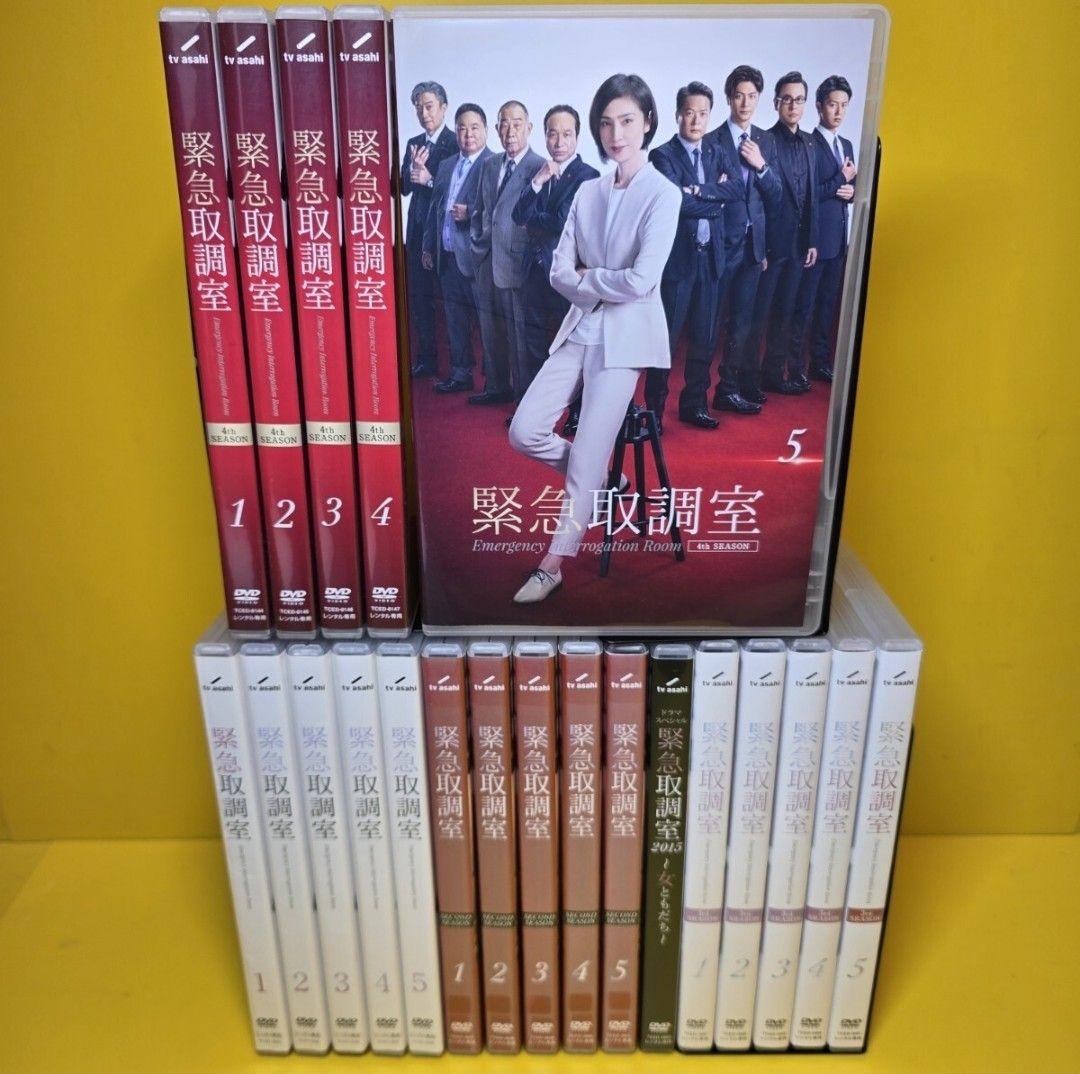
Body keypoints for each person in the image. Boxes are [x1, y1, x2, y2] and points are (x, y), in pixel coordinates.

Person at [508, 73, 681, 604]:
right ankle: (605, 482)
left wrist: (590, 277)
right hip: (581, 326)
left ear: (647, 123)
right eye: (606, 123)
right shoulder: (587, 191)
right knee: (523, 430)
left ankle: (553, 564)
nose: (616, 133)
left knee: (585, 455)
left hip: (626, 341)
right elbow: (559, 271)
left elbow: (642, 281)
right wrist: (599, 281)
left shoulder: (663, 194)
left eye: (627, 121)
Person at [645, 80, 728, 432]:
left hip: (710, 259)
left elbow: (733, 191)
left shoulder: (716, 152)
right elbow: (676, 203)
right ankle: (653, 412)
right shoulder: (662, 156)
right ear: (678, 114)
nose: (696, 120)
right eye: (690, 113)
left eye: (703, 113)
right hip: (678, 262)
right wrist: (715, 199)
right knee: (665, 340)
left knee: (705, 339)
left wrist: (702, 194)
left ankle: (694, 405)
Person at [512, 105, 599, 420]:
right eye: (552, 134)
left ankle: (577, 412)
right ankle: (535, 411)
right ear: (544, 136)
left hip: (568, 273)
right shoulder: (539, 172)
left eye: (566, 134)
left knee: (572, 344)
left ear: (577, 137)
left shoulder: (588, 176)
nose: (559, 141)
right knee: (533, 341)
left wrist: (533, 220)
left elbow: (562, 222)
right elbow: (517, 216)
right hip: (534, 270)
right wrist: (537, 182)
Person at [707, 64, 782, 415]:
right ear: (729, 98)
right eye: (739, 96)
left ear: (759, 99)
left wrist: (762, 166)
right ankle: (696, 396)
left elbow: (775, 196)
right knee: (708, 324)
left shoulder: (765, 140)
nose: (746, 103)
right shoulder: (712, 140)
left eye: (752, 96)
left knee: (742, 323)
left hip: (754, 248)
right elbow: (703, 195)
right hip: (720, 246)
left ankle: (728, 390)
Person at [468, 101, 544, 407]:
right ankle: (497, 387)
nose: (510, 130)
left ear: (529, 127)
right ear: (497, 129)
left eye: (517, 123)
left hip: (517, 261)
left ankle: (524, 399)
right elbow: (480, 210)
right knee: (490, 329)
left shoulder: (540, 166)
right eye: (504, 124)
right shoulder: (489, 165)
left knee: (519, 334)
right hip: (487, 260)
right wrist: (477, 244)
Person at [754, 71, 819, 395]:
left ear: (805, 104)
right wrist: (761, 247)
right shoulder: (765, 140)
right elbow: (760, 199)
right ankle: (746, 379)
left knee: (787, 311)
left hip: (798, 245)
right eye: (787, 99)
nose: (793, 105)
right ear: (776, 103)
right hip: (771, 246)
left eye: (799, 99)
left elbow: (811, 197)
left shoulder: (810, 143)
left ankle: (773, 374)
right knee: (759, 314)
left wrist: (812, 240)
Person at [421, 104, 493, 393]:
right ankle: (460, 374)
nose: (468, 134)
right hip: (447, 256)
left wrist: (471, 212)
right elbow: (435, 209)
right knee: (455, 320)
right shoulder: (446, 164)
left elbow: (497, 211)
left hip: (478, 259)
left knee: (488, 324)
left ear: (485, 130)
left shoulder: (493, 164)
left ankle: (494, 381)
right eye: (462, 128)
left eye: (474, 127)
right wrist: (428, 246)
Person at [791, 75, 856, 383]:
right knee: (804, 306)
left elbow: (851, 188)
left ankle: (819, 362)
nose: (839, 111)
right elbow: (807, 194)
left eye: (844, 105)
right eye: (833, 104)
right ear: (819, 106)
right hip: (815, 240)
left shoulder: (847, 145)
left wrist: (851, 191)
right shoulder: (808, 144)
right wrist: (841, 181)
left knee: (827, 306)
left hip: (839, 240)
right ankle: (795, 366)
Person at [400, 81, 457, 377]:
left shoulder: (456, 142)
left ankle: (457, 365)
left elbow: (457, 190)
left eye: (429, 106)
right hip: (416, 231)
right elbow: (403, 188)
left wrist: (429, 178)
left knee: (450, 300)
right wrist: (412, 172)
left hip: (443, 233)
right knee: (419, 297)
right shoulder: (414, 143)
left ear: (443, 108)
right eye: (419, 108)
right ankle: (427, 359)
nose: (424, 113)